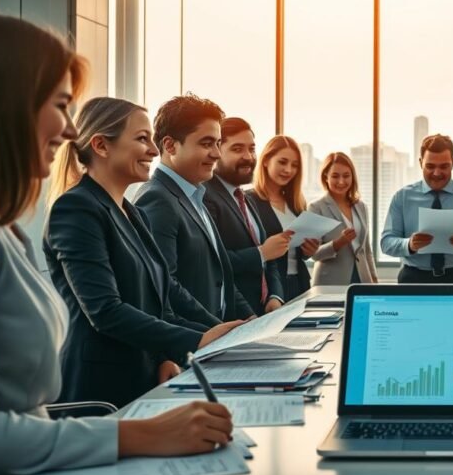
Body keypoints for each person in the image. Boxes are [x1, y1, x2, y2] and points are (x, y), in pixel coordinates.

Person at [0, 12, 234, 475]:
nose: (67, 130)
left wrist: (199, 338)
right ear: (4, 105)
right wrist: (140, 435)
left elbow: (163, 289)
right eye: (59, 105)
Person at [44, 98, 242, 408]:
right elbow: (105, 311)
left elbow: (161, 301)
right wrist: (195, 340)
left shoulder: (132, 213)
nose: (153, 150)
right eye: (141, 139)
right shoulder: (76, 209)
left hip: (143, 378)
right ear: (101, 145)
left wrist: (216, 336)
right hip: (100, 391)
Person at [134, 95, 255, 321]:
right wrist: (214, 330)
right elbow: (164, 286)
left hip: (216, 336)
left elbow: (221, 276)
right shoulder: (157, 199)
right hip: (191, 341)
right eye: (207, 143)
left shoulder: (195, 195)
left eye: (218, 144)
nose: (217, 154)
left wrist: (251, 319)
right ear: (170, 145)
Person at [204, 117, 289, 315]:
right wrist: (261, 253)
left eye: (251, 149)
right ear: (217, 151)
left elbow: (271, 257)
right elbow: (212, 262)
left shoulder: (247, 198)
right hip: (233, 316)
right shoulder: (205, 196)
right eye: (237, 149)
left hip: (264, 313)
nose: (249, 157)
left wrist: (275, 296)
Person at [381, 134, 453, 284]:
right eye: (430, 166)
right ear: (420, 163)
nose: (437, 173)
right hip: (413, 279)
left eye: (444, 166)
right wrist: (410, 245)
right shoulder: (402, 197)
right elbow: (386, 242)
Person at [247, 135, 318, 300]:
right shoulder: (249, 201)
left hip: (299, 283)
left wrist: (309, 251)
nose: (288, 170)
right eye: (282, 162)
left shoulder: (296, 203)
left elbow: (297, 252)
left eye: (295, 165)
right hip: (269, 288)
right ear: (265, 161)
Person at [307, 152, 379, 285]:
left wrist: (374, 280)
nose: (341, 181)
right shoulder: (316, 208)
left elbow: (367, 249)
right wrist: (338, 243)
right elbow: (314, 254)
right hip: (330, 282)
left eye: (346, 176)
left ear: (352, 177)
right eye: (335, 176)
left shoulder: (361, 207)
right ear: (326, 177)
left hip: (362, 279)